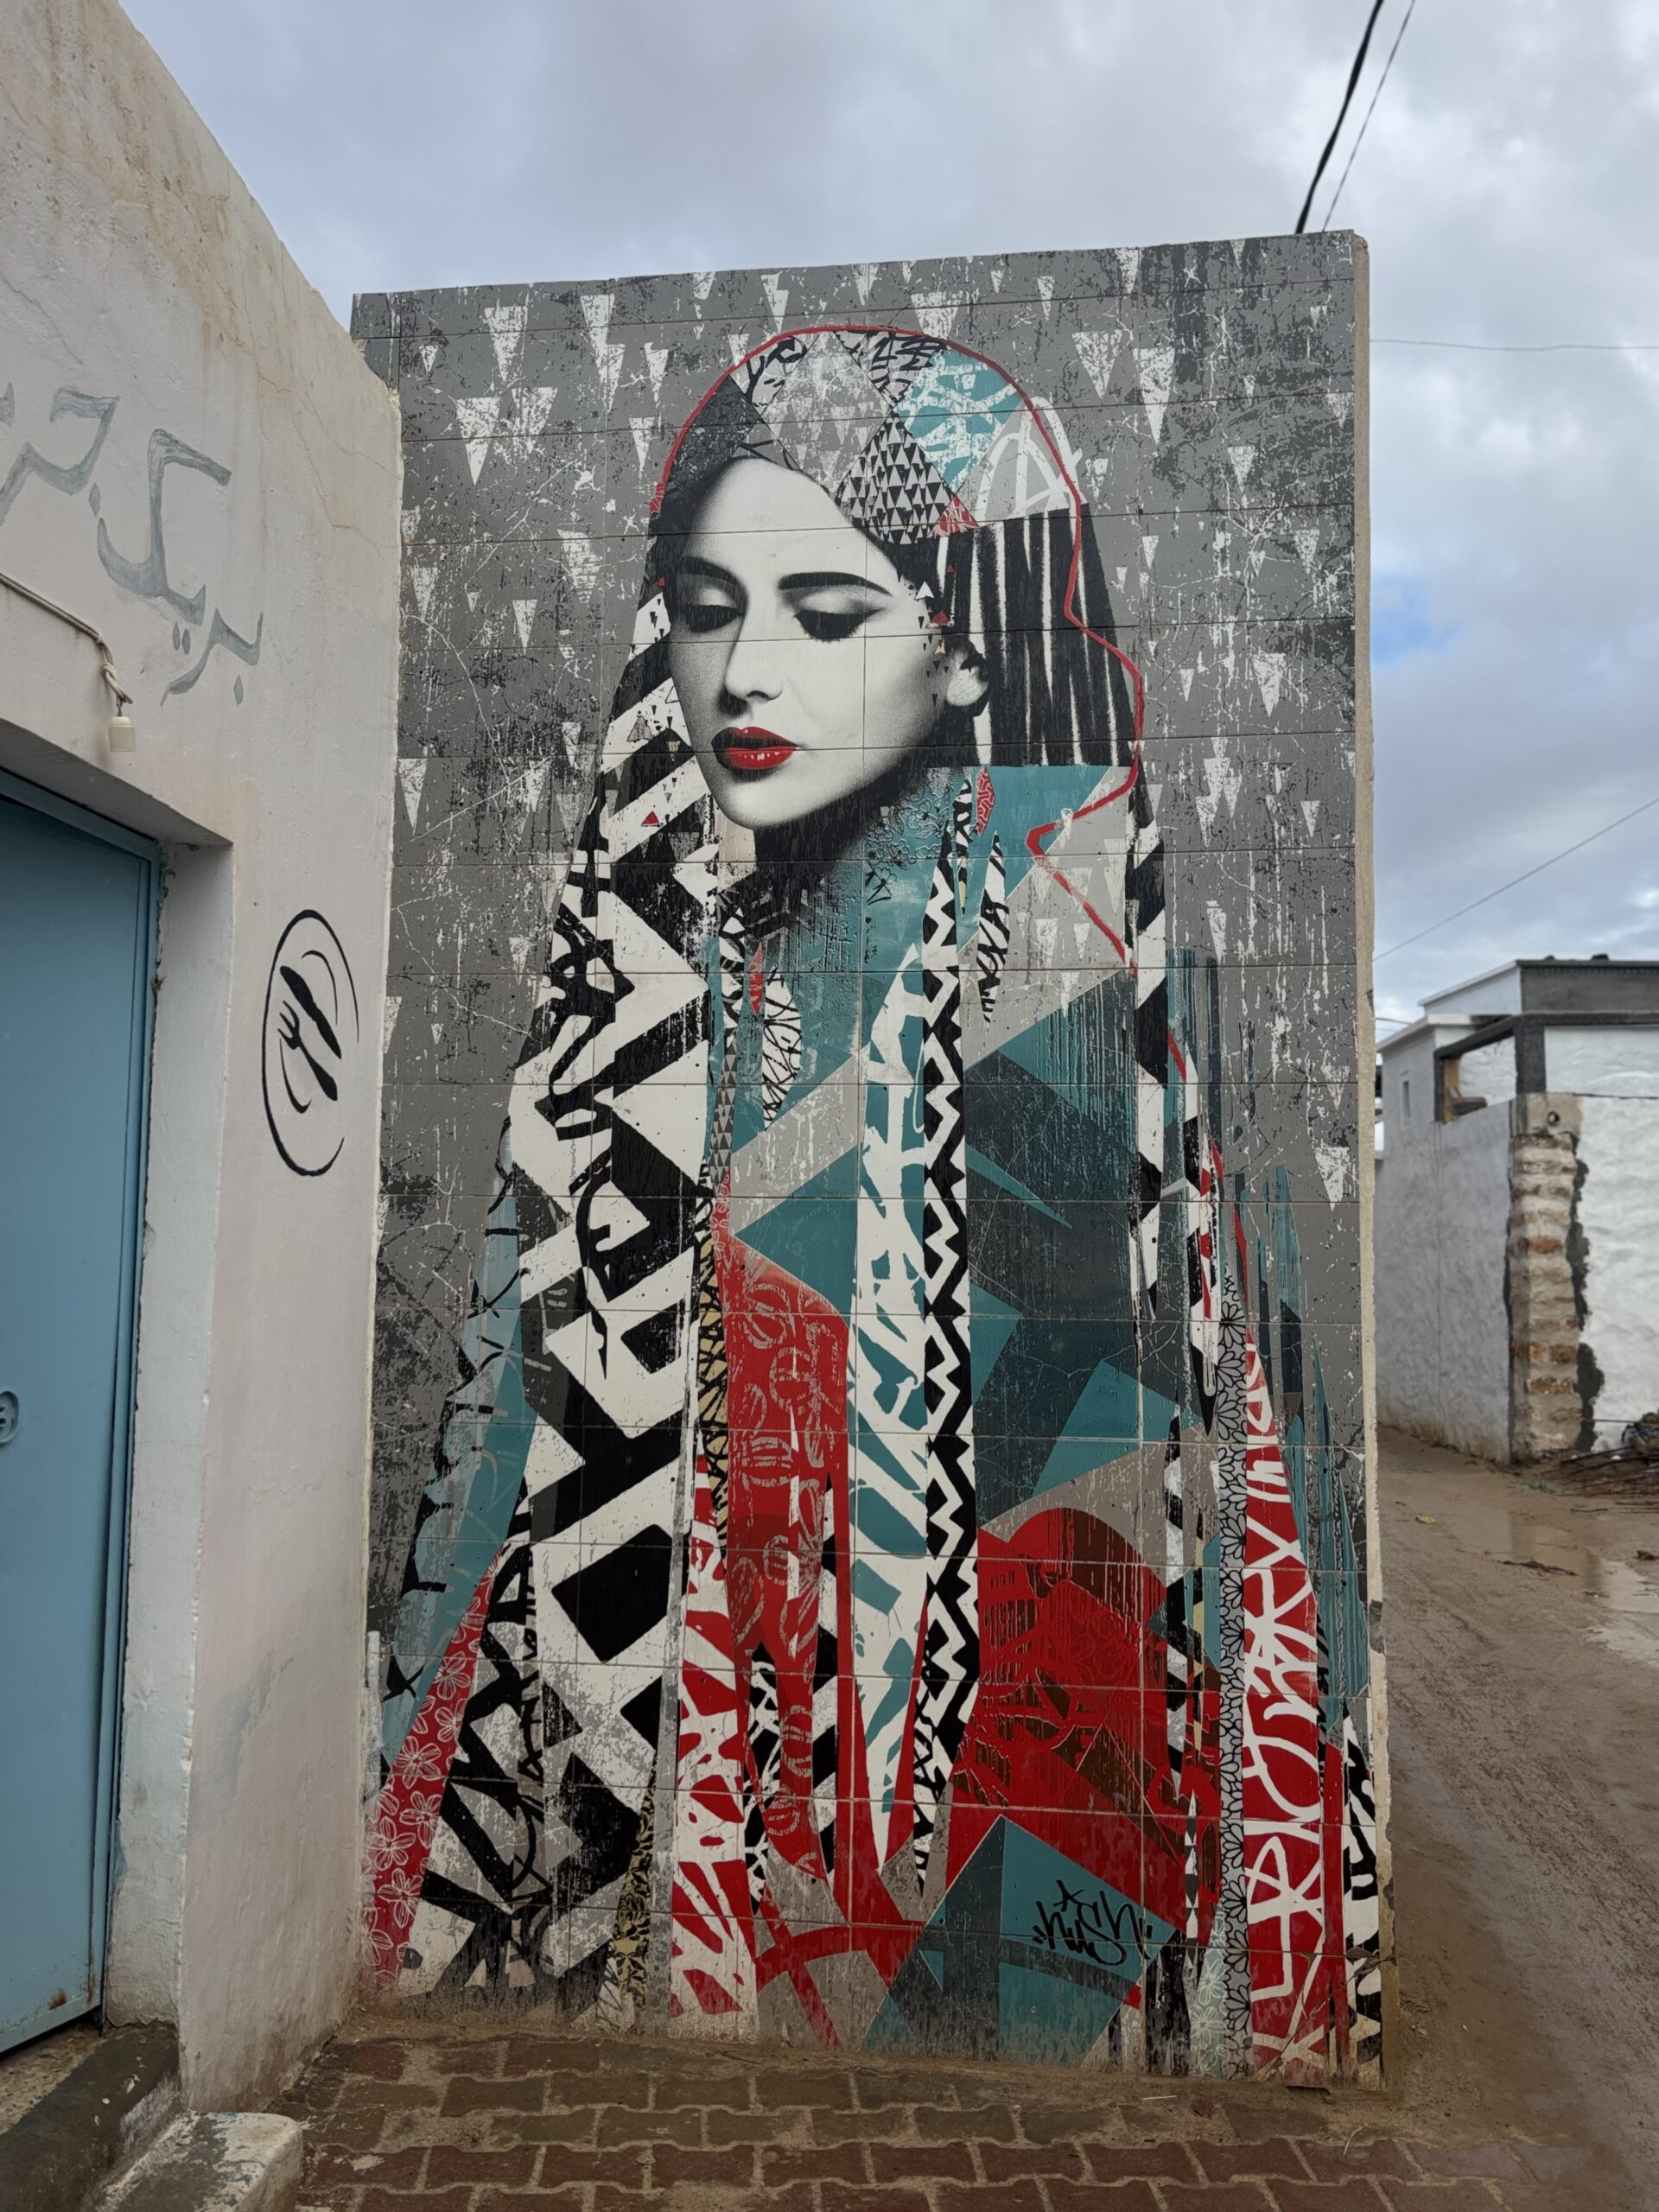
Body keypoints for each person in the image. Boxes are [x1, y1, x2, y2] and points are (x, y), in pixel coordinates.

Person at [371, 327, 1379, 2080]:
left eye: (828, 613)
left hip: (993, 1900)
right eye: (704, 607)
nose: (745, 667)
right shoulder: (626, 1025)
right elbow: (503, 1520)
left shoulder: (1060, 1037)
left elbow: (1088, 1635)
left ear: (974, 650)